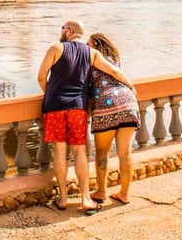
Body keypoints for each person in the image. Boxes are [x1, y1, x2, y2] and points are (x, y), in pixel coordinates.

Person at [37, 19, 136, 214]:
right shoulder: (92, 53)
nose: (61, 31)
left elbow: (41, 77)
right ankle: (85, 198)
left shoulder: (55, 48)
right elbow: (114, 71)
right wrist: (131, 86)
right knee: (80, 152)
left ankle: (63, 199)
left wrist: (50, 93)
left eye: (62, 28)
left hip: (54, 107)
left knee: (59, 151)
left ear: (69, 31)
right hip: (79, 108)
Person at [87, 32, 140, 206]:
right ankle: (124, 194)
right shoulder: (115, 58)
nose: (86, 47)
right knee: (125, 153)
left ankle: (101, 191)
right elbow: (116, 74)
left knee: (102, 152)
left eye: (89, 44)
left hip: (105, 106)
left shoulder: (92, 59)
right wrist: (131, 87)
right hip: (128, 102)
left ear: (96, 46)